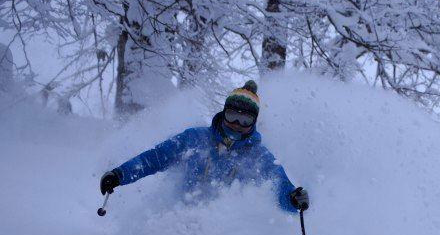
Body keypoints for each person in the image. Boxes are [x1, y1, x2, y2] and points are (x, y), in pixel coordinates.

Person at [100, 80, 309, 213]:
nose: (236, 124)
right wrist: (120, 175)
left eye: (244, 120)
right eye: (232, 115)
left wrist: (293, 198)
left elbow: (279, 185)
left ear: (254, 122)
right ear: (223, 112)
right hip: (177, 217)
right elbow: (155, 158)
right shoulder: (194, 139)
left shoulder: (258, 156)